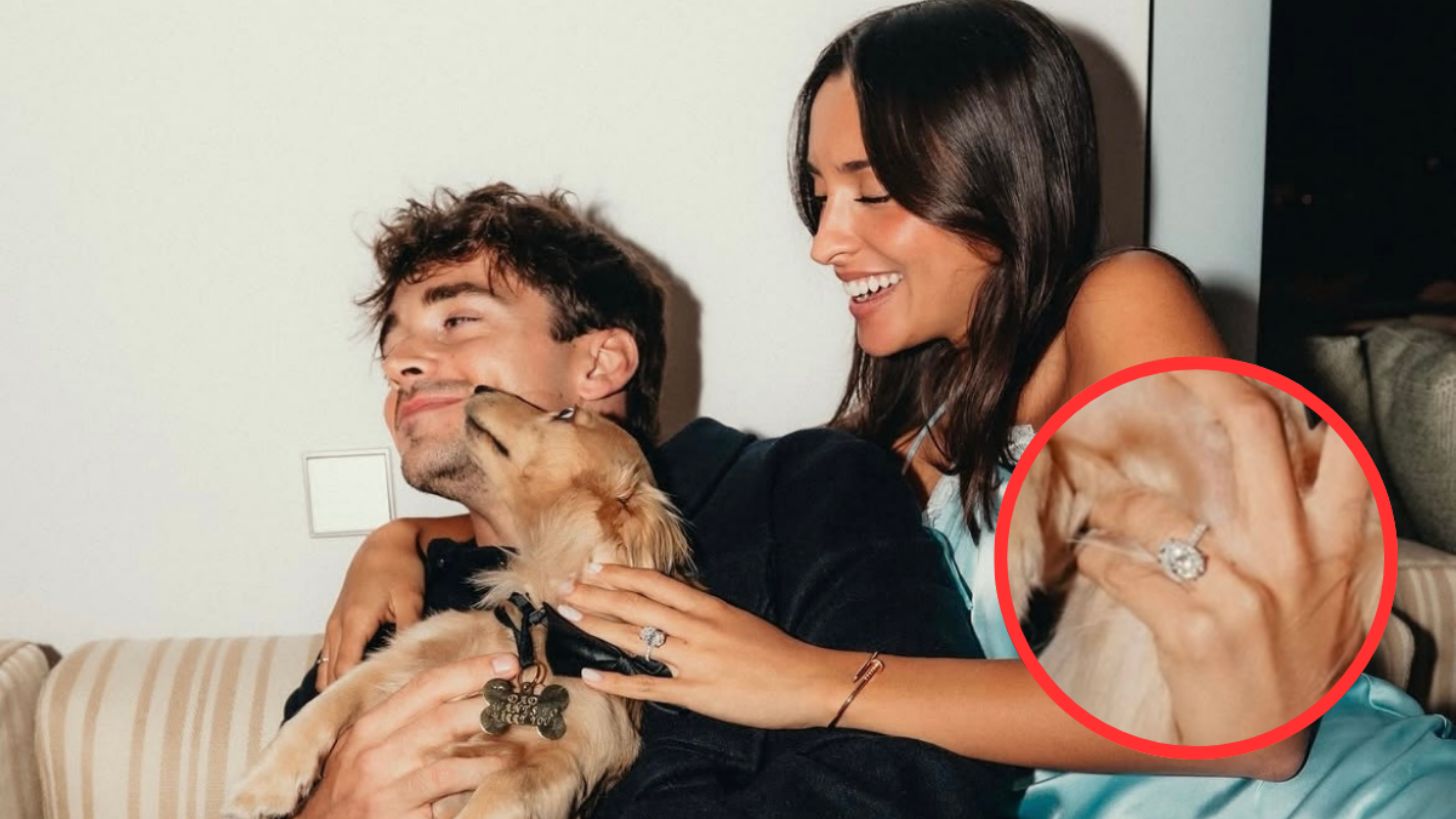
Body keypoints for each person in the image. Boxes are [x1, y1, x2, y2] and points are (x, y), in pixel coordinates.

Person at [325, 1, 1456, 816]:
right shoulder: (892, 442)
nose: (826, 240)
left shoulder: (1118, 304)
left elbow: (1253, 729)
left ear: (999, 173)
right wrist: (406, 537)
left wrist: (816, 683)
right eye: (820, 196)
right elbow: (626, 516)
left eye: (870, 191)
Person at [282, 182, 1020, 817]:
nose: (401, 363)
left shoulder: (802, 491)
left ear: (601, 362)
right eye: (393, 346)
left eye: (456, 320)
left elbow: (928, 776)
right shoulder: (393, 609)